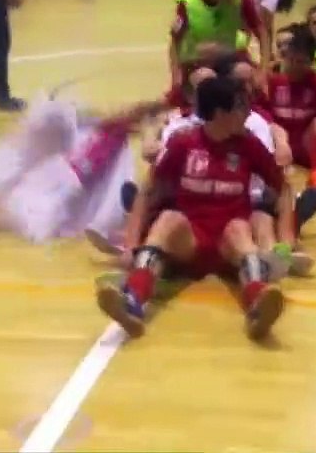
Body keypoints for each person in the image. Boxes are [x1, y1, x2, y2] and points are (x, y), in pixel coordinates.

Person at [97, 75, 291, 340]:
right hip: (190, 242)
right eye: (239, 107)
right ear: (221, 113)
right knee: (168, 219)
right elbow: (149, 189)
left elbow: (283, 187)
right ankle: (132, 302)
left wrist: (287, 239)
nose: (246, 114)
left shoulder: (248, 145)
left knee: (238, 228)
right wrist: (131, 245)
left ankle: (258, 305)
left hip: (229, 245)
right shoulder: (183, 143)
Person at [0, 97, 166, 243]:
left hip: (73, 179)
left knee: (41, 205)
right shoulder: (105, 130)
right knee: (40, 205)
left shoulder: (111, 134)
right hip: (71, 177)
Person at [169, 0, 269, 85]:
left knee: (245, 73)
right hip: (196, 63)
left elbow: (261, 31)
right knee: (206, 79)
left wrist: (263, 70)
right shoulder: (187, 2)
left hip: (227, 60)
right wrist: (176, 76)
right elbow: (175, 43)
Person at [266, 25, 316, 192]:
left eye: (301, 62)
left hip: (304, 145)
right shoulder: (272, 82)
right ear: (285, 58)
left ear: (311, 63)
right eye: (291, 61)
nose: (295, 66)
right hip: (277, 143)